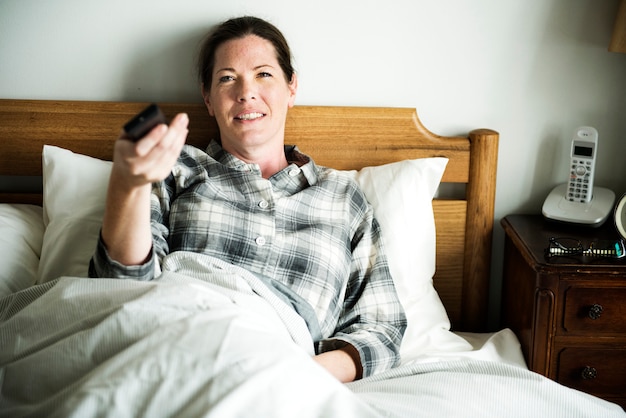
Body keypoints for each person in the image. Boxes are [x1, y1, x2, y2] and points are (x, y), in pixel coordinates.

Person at [89, 16, 406, 383]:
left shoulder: (343, 198)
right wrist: (127, 186)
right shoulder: (174, 167)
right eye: (227, 78)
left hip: (280, 359)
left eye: (263, 74)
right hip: (173, 333)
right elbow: (121, 288)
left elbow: (381, 330)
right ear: (208, 98)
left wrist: (294, 374)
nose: (245, 92)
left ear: (292, 87)